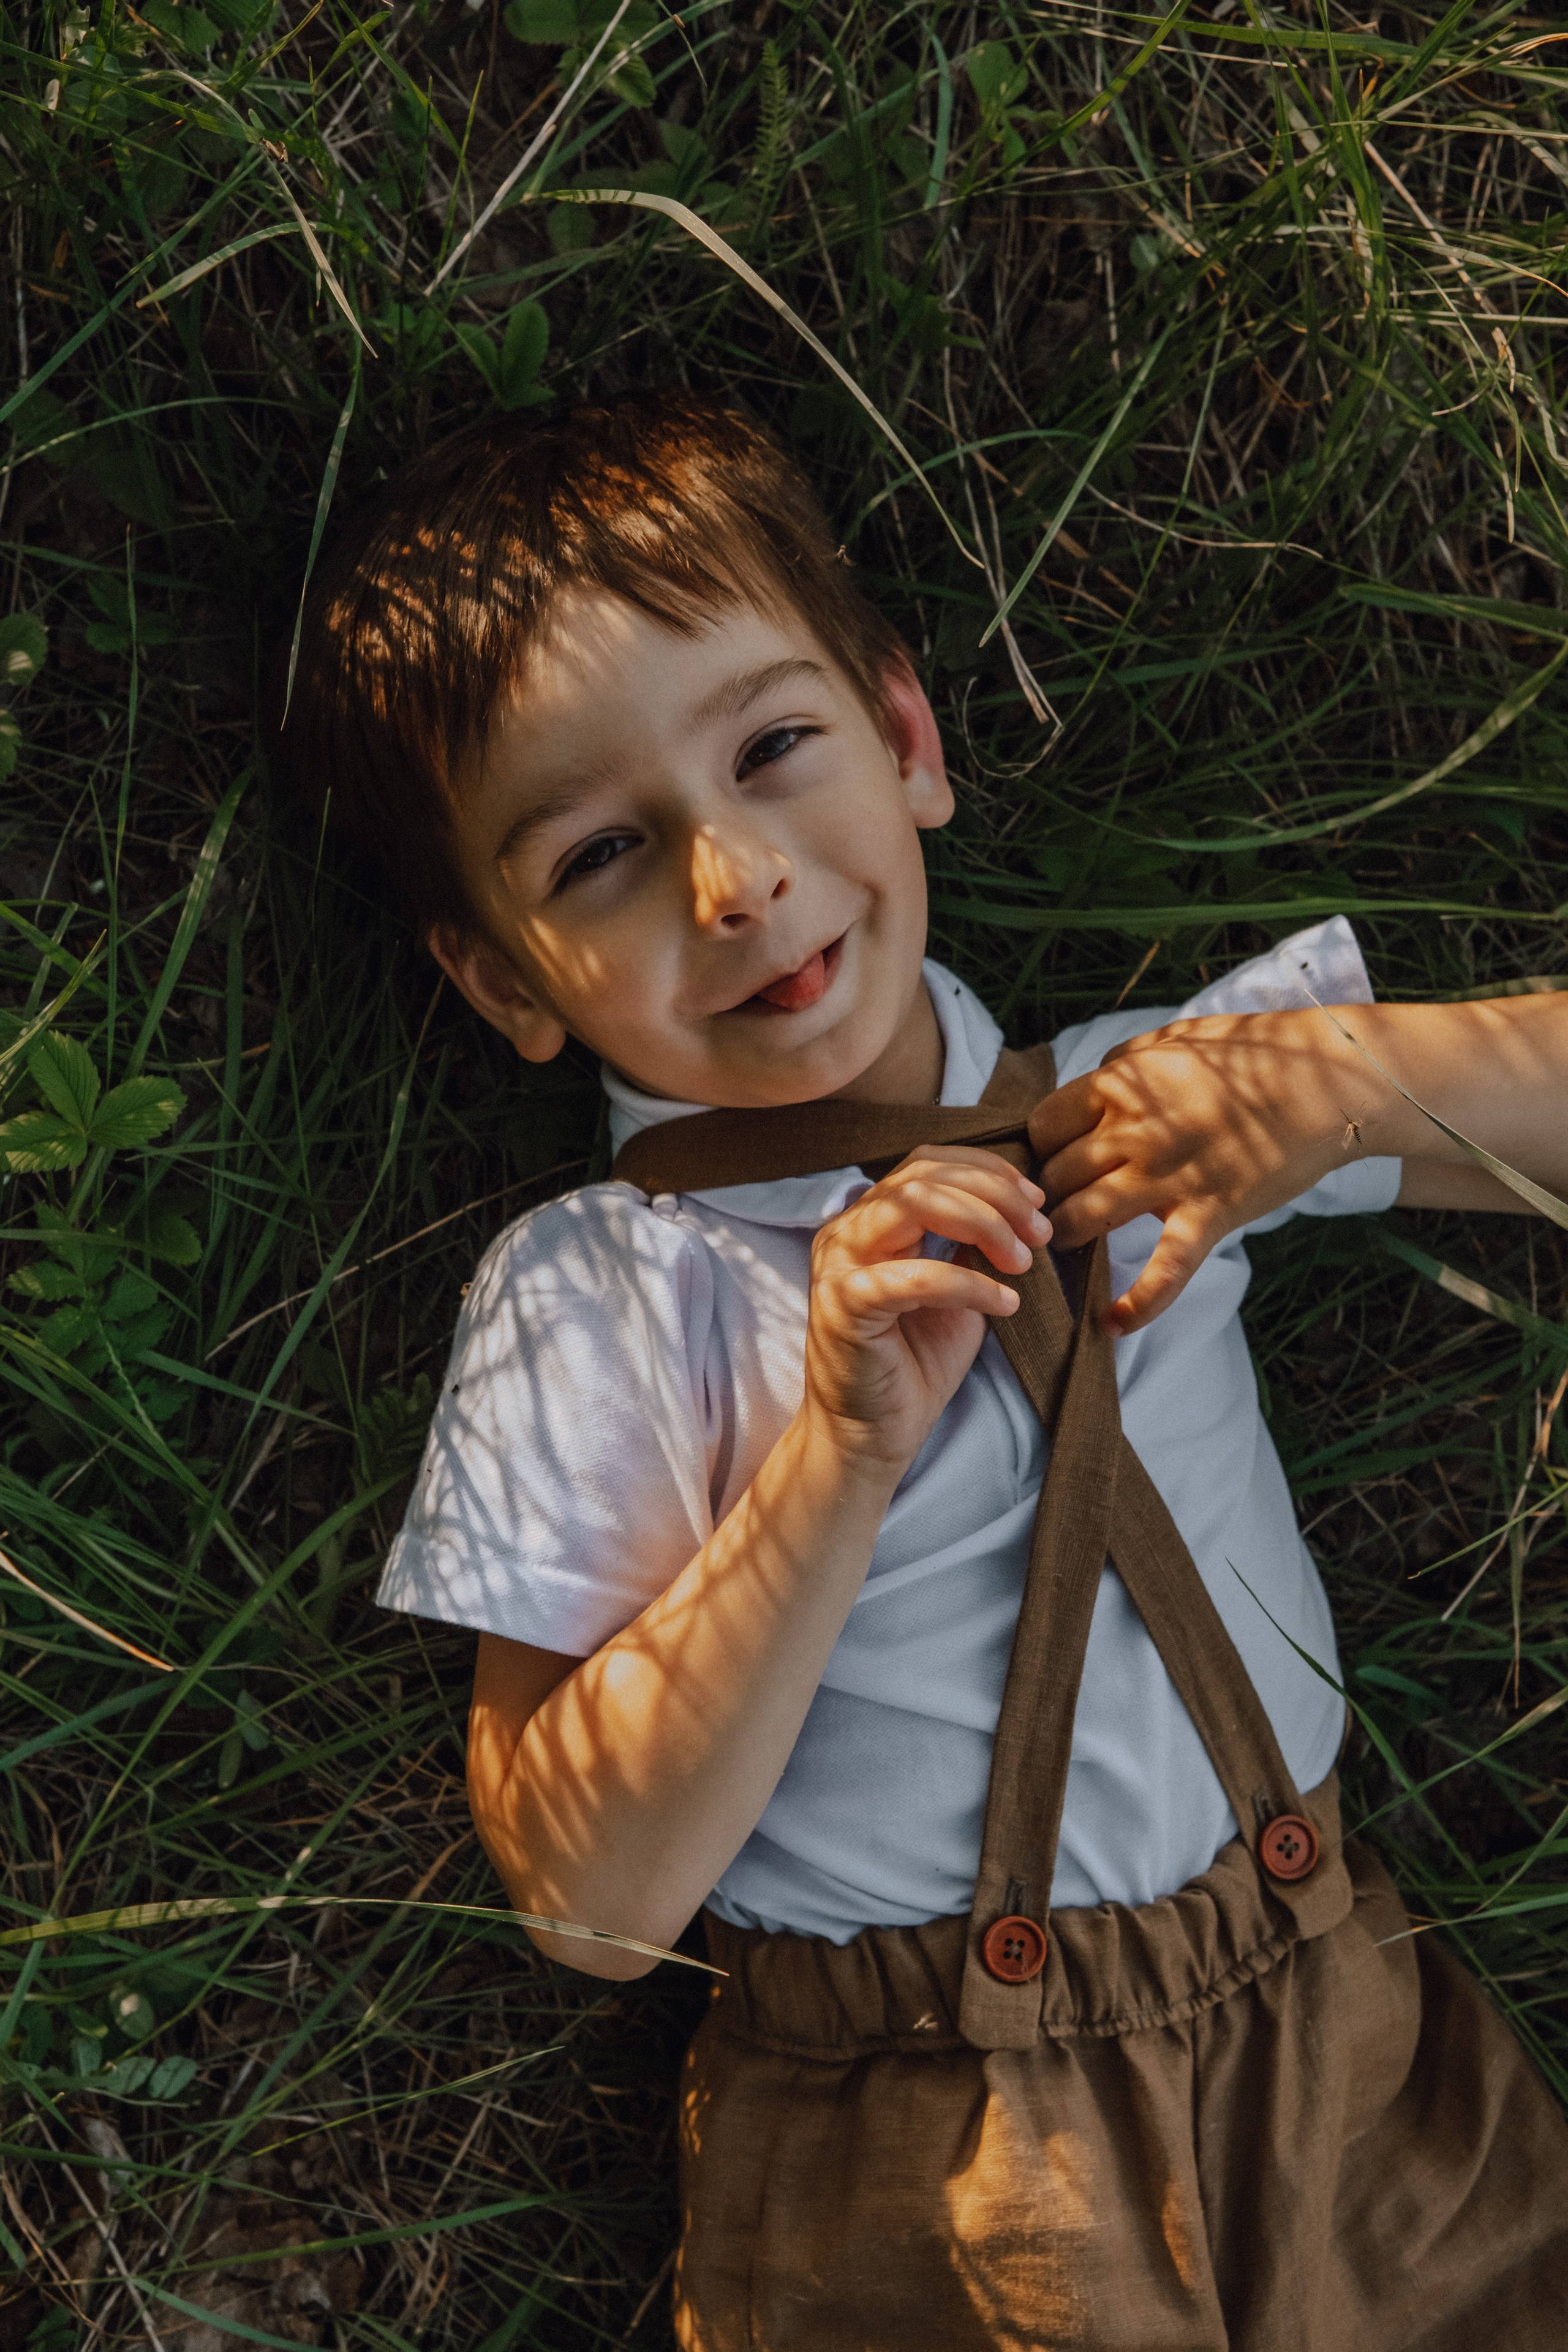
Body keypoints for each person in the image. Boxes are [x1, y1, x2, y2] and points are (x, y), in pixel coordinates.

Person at [284, 389, 1568, 2351]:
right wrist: (833, 1454)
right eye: (607, 854)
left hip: (1351, 2046)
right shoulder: (600, 1293)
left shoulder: (1164, 1094)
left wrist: (1347, 1089)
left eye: (779, 750)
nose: (738, 883)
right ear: (502, 976)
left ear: (906, 741)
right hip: (940, 2161)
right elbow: (584, 1894)